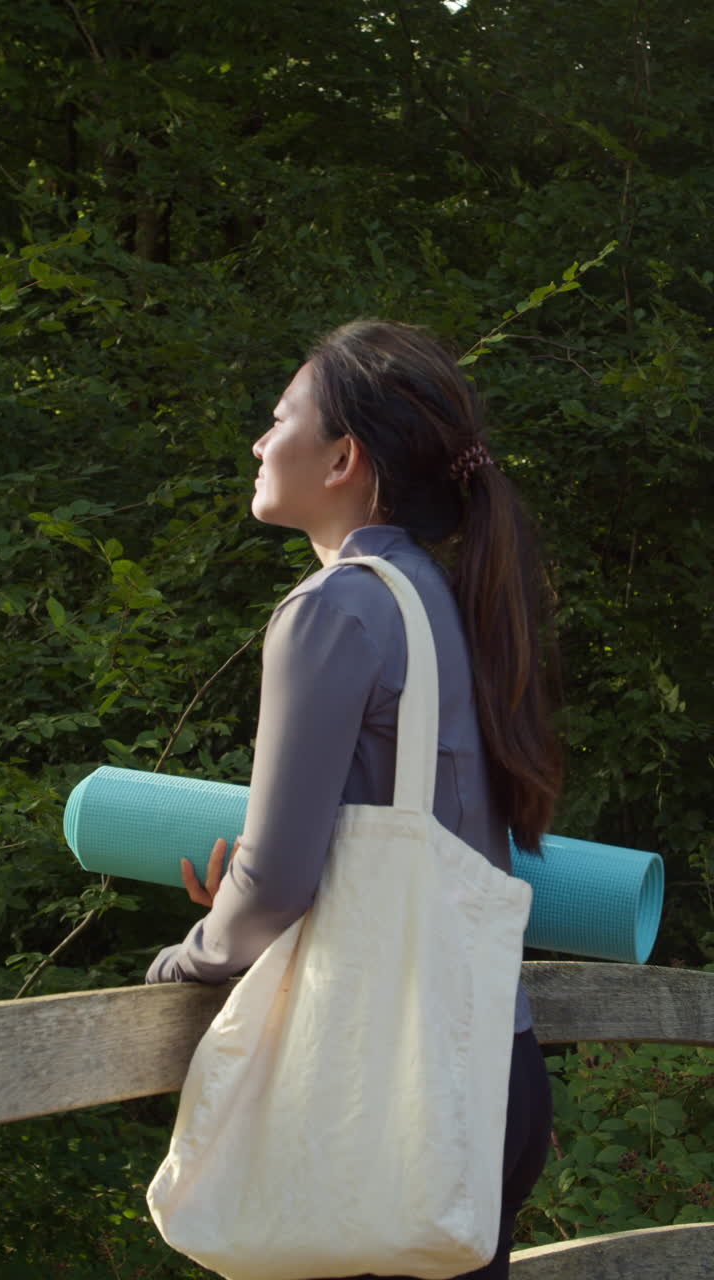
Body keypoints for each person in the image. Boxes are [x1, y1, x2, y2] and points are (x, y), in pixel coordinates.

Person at [147, 320, 560, 1278]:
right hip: (493, 1071)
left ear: (343, 457)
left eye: (280, 417)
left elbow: (279, 878)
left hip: (388, 1091)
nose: (259, 441)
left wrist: (193, 957)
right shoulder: (442, 602)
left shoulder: (334, 609)